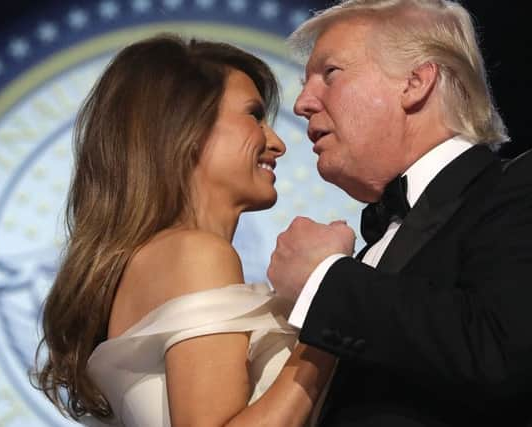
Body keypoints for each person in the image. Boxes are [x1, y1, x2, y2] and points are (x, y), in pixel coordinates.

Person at [267, 0, 532, 426]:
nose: (303, 102)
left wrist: (324, 278)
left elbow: (499, 350)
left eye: (330, 74)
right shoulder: (373, 249)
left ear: (416, 82)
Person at [33, 34, 336, 427]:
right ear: (187, 127)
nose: (276, 144)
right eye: (253, 115)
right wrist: (329, 325)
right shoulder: (197, 254)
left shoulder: (158, 258)